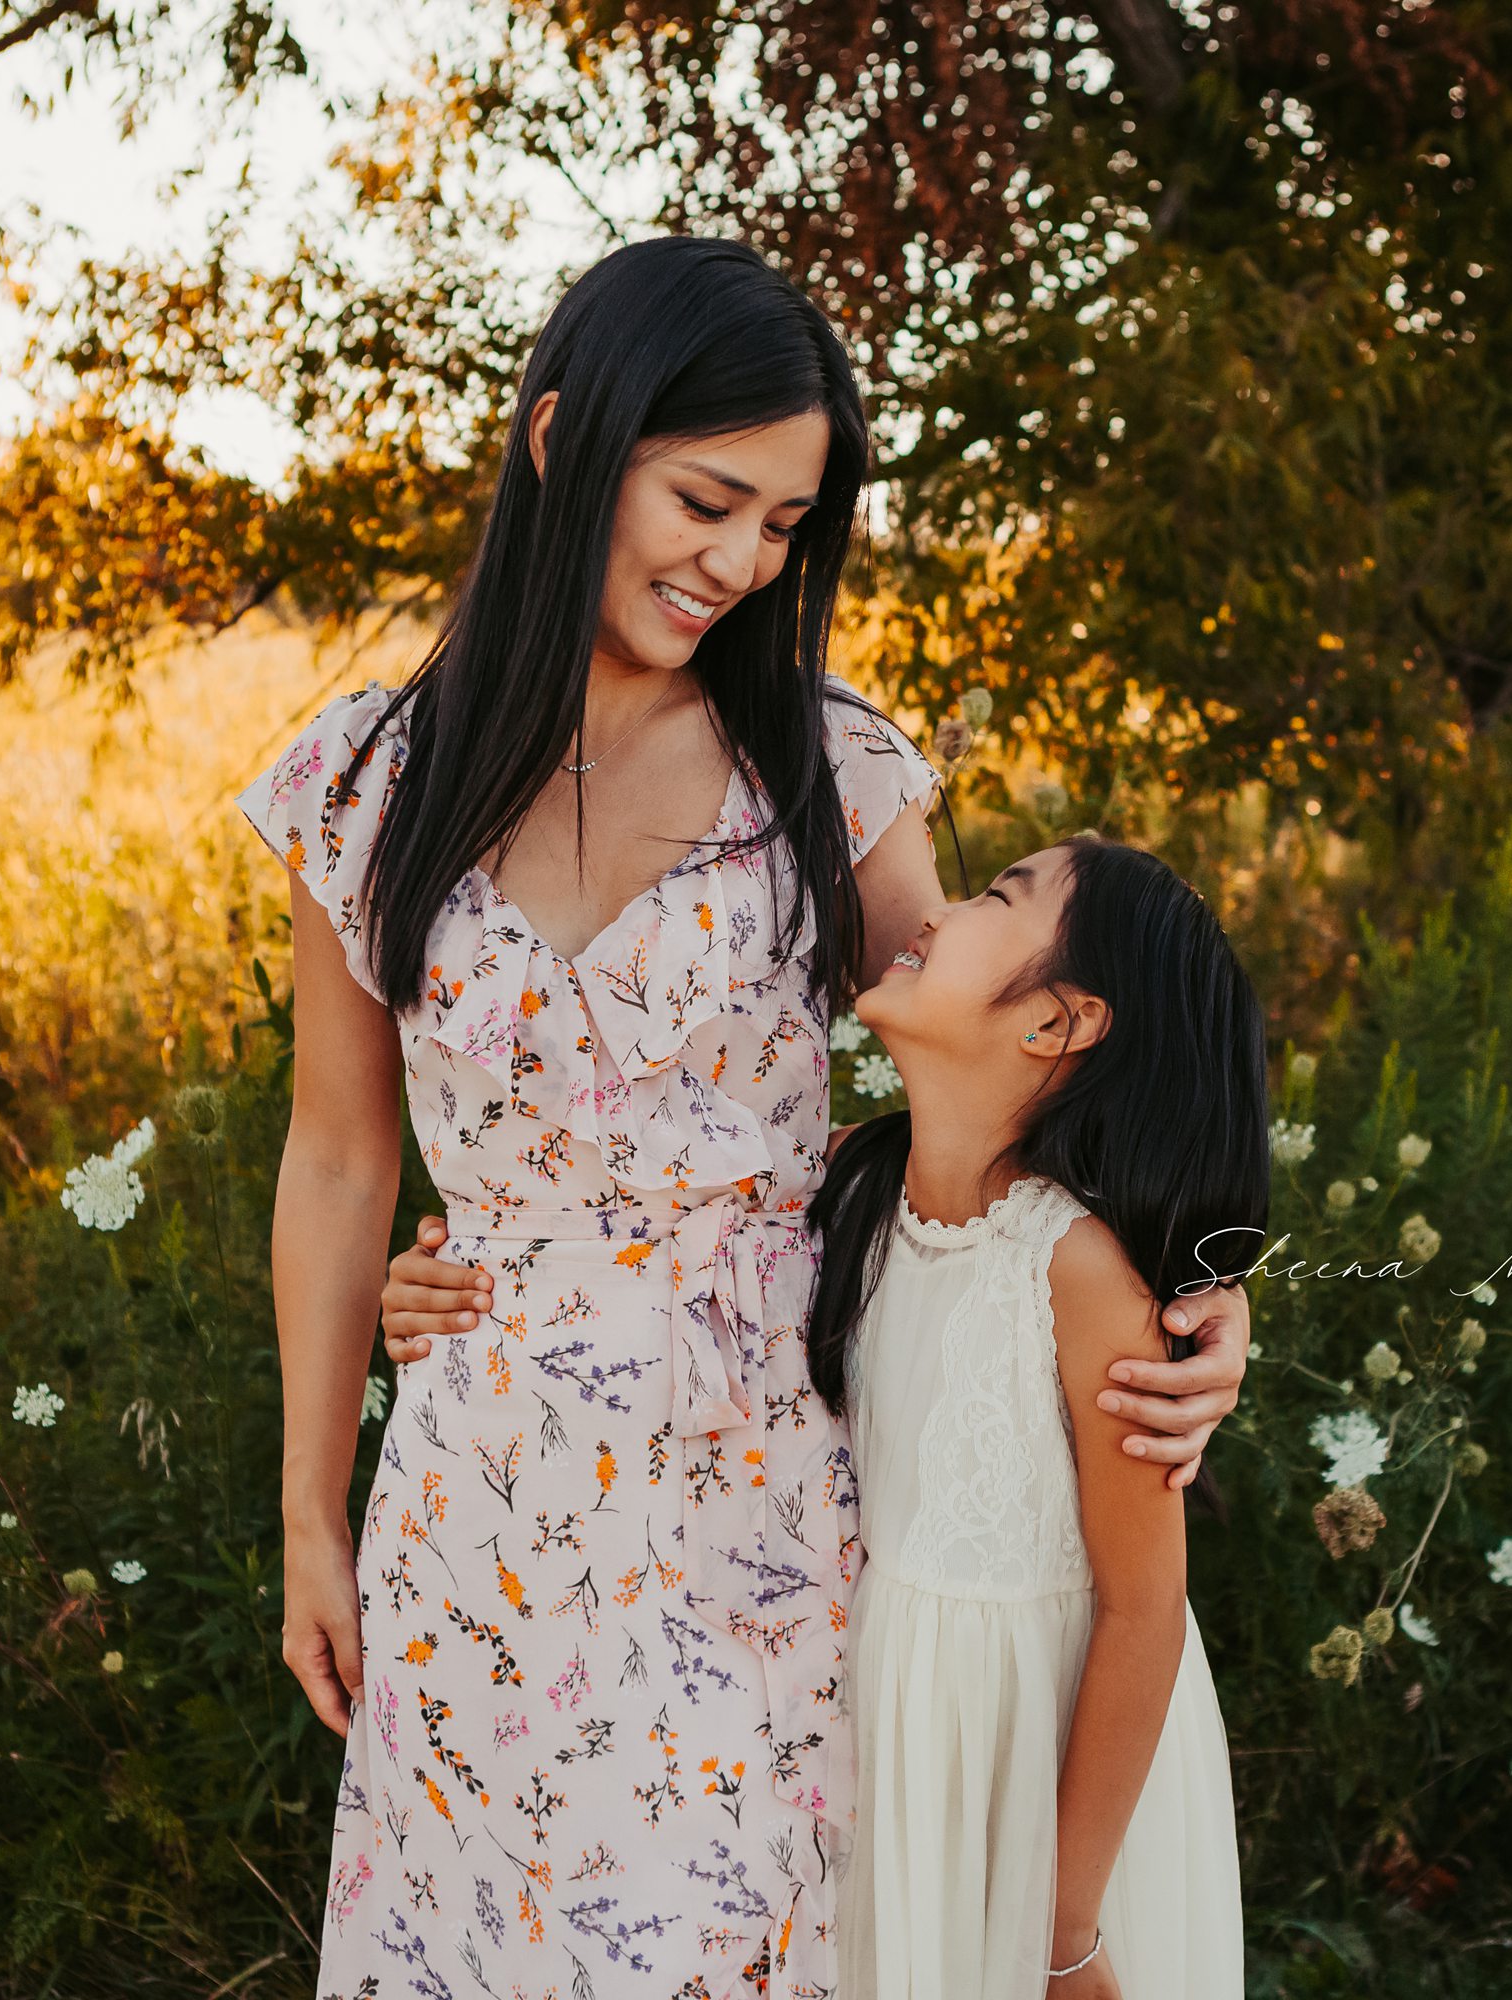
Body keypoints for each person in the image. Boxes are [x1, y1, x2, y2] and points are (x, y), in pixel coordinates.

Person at [245, 234, 1250, 2000]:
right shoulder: (364, 784)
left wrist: (1197, 1279)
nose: (740, 562)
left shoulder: (825, 765)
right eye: (710, 499)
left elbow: (1020, 1069)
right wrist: (309, 1515)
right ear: (566, 440)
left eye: (784, 526)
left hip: (765, 1497)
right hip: (476, 1502)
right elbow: (339, 1159)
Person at [808, 835, 1259, 1999]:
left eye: (997, 896)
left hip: (1046, 1779)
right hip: (888, 1743)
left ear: (1059, 1020)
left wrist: (1061, 1922)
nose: (932, 910)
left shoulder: (1073, 1264)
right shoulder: (845, 1179)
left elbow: (1144, 1602)